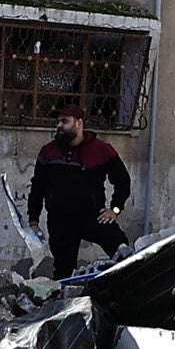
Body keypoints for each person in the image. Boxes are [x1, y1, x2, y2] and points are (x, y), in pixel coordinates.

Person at [25, 102, 133, 274]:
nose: (59, 126)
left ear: (79, 123)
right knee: (63, 270)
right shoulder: (48, 152)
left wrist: (115, 209)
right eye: (58, 122)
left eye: (64, 121)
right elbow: (38, 186)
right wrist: (33, 220)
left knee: (121, 249)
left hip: (93, 216)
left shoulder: (102, 150)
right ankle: (65, 299)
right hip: (60, 220)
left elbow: (122, 181)